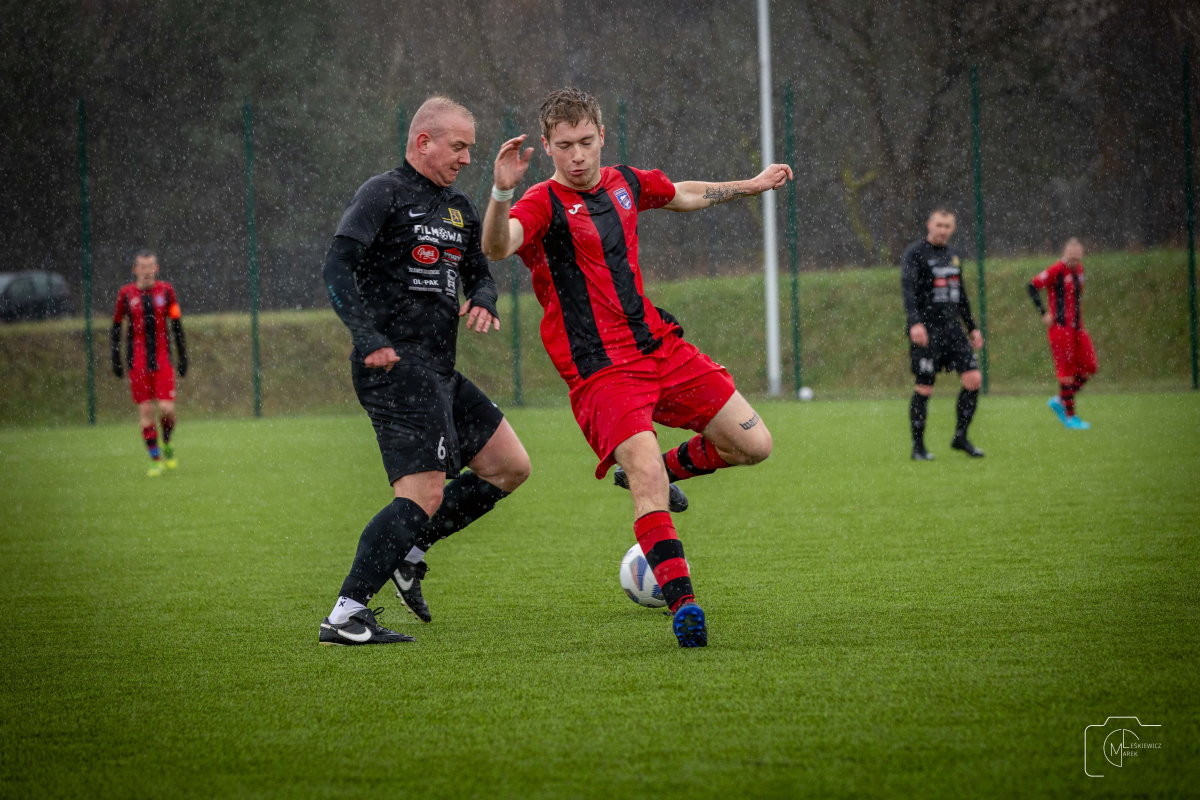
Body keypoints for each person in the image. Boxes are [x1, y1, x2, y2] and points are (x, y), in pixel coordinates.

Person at [481, 87, 789, 648]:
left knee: (754, 444)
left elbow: (683, 194)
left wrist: (751, 184)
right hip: (602, 371)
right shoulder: (541, 203)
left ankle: (666, 471)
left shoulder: (624, 182)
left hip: (659, 348)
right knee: (645, 476)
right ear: (547, 147)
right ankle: (685, 606)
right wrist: (502, 192)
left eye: (586, 142)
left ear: (602, 136)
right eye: (565, 146)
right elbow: (498, 246)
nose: (577, 155)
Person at [319, 96, 531, 646]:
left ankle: (410, 552)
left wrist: (484, 297)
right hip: (393, 367)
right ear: (423, 142)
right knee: (422, 494)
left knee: (509, 466)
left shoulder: (459, 207)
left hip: (439, 369)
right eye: (458, 146)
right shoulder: (382, 193)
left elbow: (480, 272)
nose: (466, 158)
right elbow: (337, 266)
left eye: (470, 148)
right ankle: (346, 615)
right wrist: (367, 336)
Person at [901, 209, 985, 460]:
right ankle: (918, 448)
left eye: (947, 226)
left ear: (953, 228)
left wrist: (972, 327)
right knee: (924, 387)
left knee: (973, 379)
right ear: (929, 224)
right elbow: (908, 290)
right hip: (928, 329)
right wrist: (915, 323)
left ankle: (960, 436)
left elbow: (961, 295)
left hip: (953, 330)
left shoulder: (953, 255)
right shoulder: (915, 254)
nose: (943, 230)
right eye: (939, 225)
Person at [111, 250, 187, 477]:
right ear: (135, 270)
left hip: (162, 358)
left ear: (157, 268)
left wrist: (183, 355)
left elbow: (176, 324)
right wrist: (116, 358)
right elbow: (116, 327)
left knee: (167, 409)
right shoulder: (126, 294)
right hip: (138, 360)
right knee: (145, 410)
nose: (147, 271)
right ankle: (155, 460)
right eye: (142, 267)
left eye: (150, 266)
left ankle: (167, 442)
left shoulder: (166, 291)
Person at [1028, 238, 1097, 429]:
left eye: (1077, 253)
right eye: (1071, 253)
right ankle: (1070, 416)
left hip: (1077, 327)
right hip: (1060, 328)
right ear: (1065, 253)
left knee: (1090, 366)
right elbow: (1032, 286)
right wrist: (1044, 313)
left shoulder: (1080, 270)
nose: (1074, 256)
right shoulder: (1056, 270)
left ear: (1081, 253)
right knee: (1066, 372)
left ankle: (1060, 400)